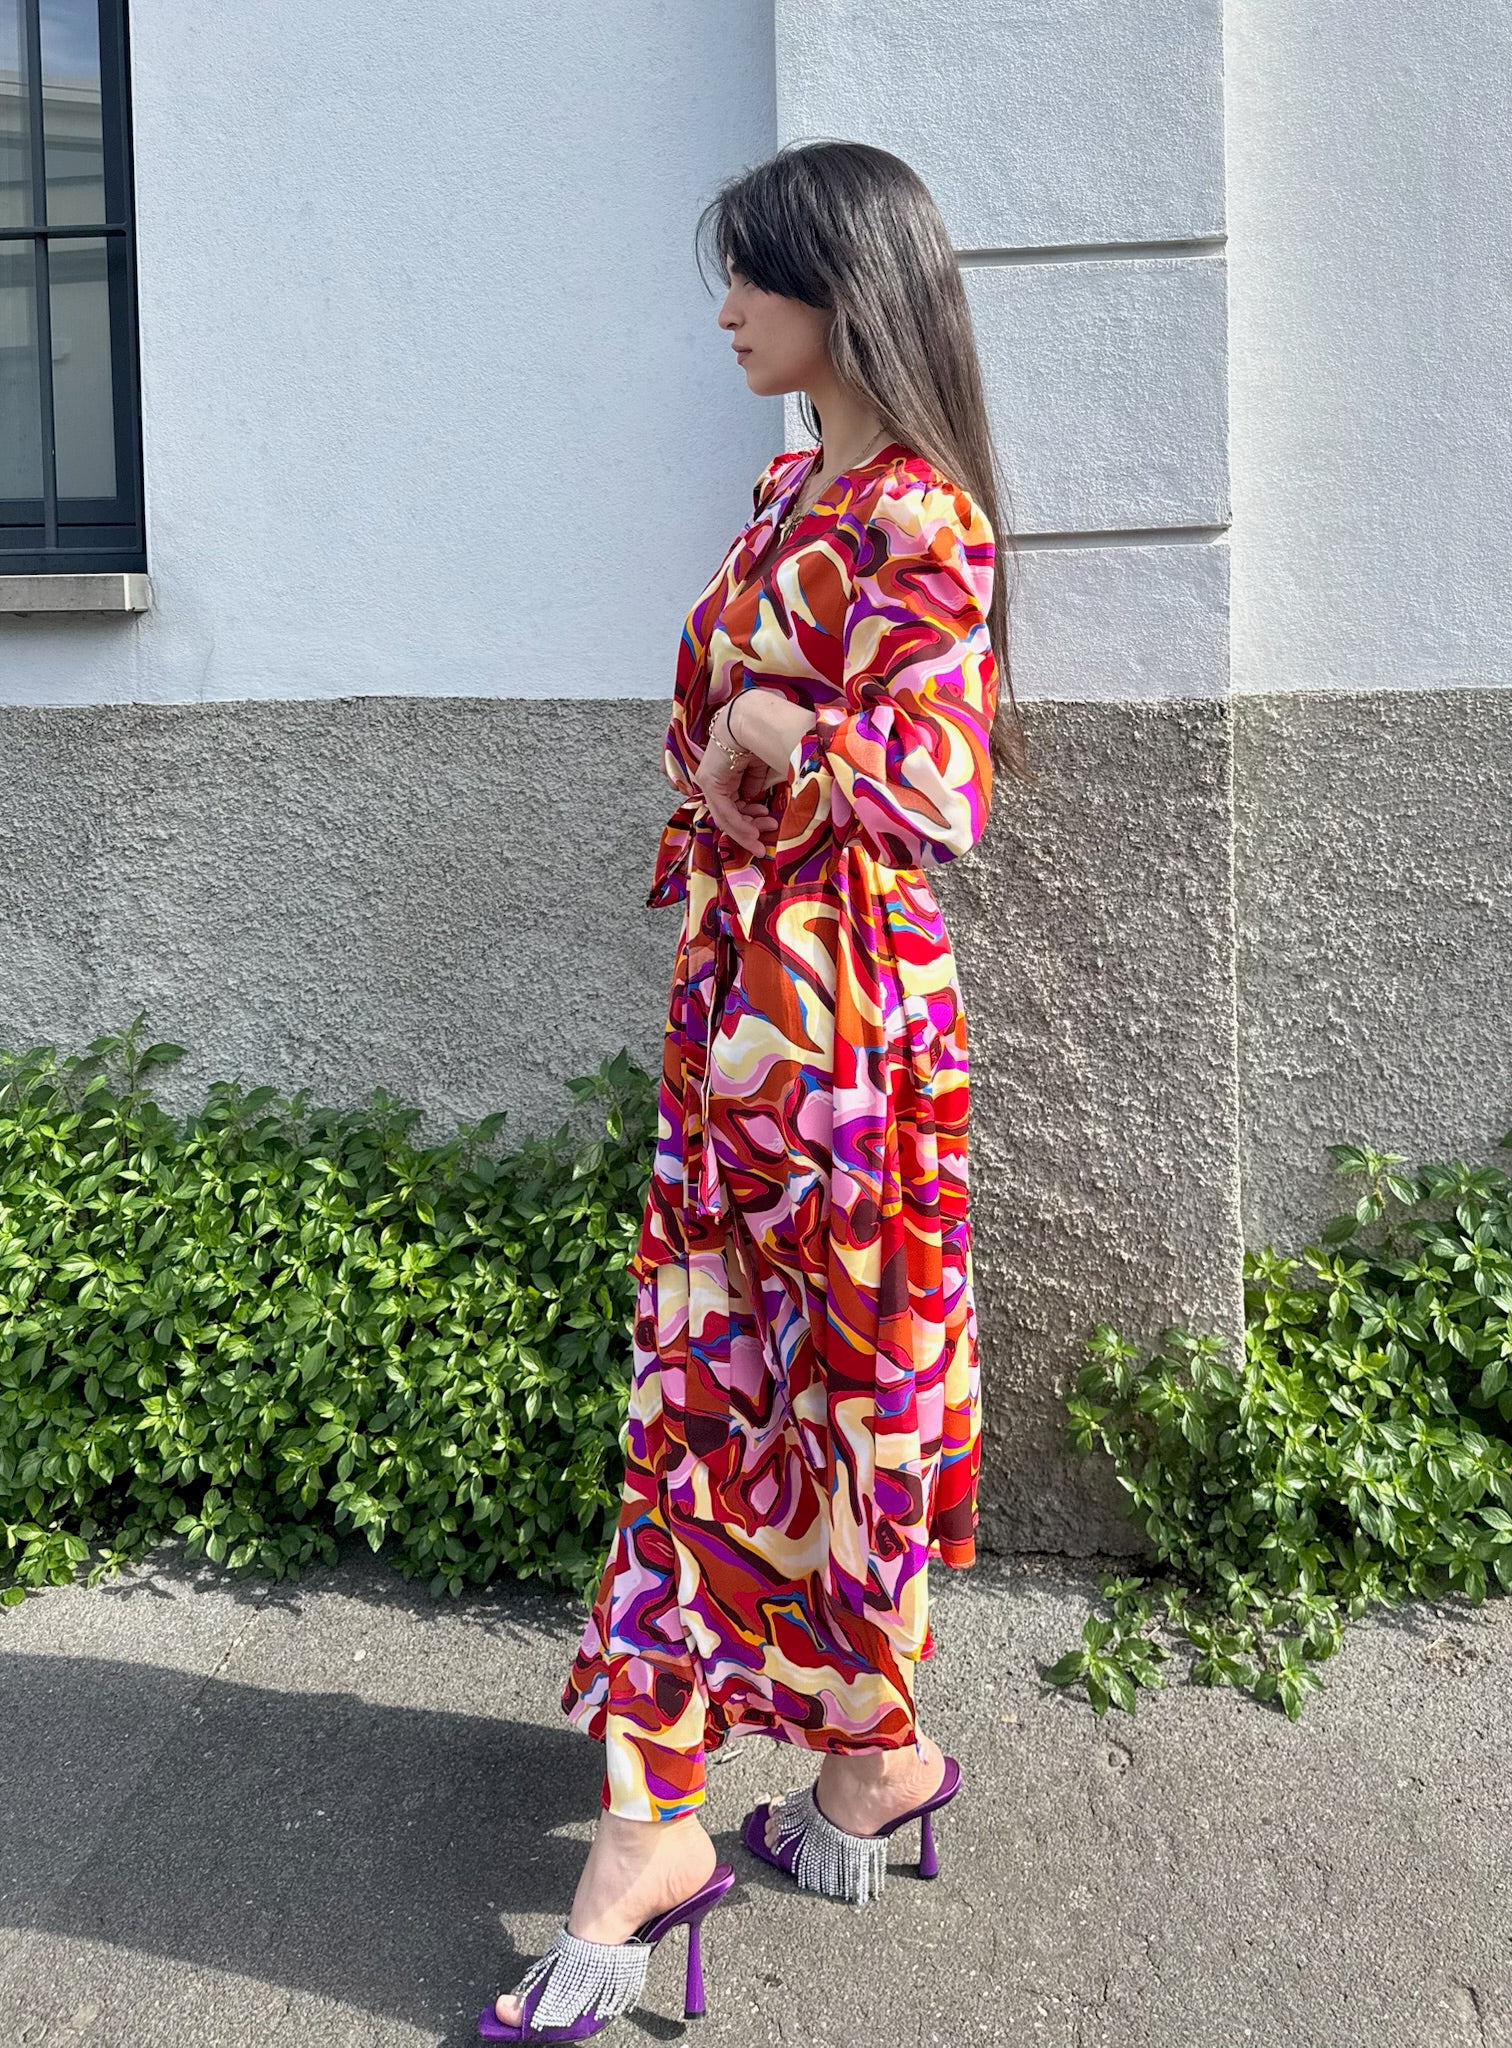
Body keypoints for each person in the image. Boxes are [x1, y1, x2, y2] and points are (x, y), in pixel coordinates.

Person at [479, 137, 1031, 2041]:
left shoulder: (921, 517)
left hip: (846, 1034)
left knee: (798, 1387)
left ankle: (657, 1831)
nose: (724, 311)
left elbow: (942, 788)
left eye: (754, 277)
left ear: (844, 293)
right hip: (743, 1013)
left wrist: (787, 725)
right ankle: (869, 1765)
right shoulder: (793, 490)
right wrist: (732, 747)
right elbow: (723, 740)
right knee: (728, 1380)